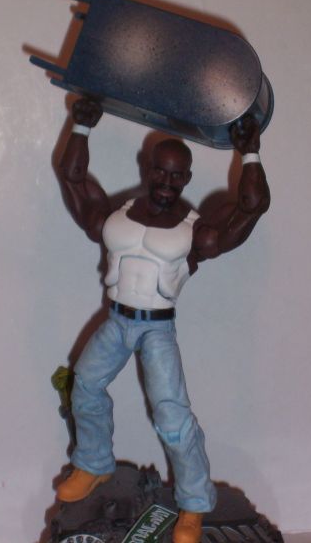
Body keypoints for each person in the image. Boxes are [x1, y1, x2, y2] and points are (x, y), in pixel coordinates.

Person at [55, 98, 270, 543]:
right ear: (147, 168)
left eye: (176, 176)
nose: (167, 182)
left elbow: (251, 207)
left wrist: (250, 153)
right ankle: (93, 463)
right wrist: (81, 127)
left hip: (157, 328)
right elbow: (73, 179)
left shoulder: (195, 231)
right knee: (86, 385)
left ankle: (193, 503)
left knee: (173, 418)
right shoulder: (117, 216)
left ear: (186, 178)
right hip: (117, 320)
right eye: (160, 172)